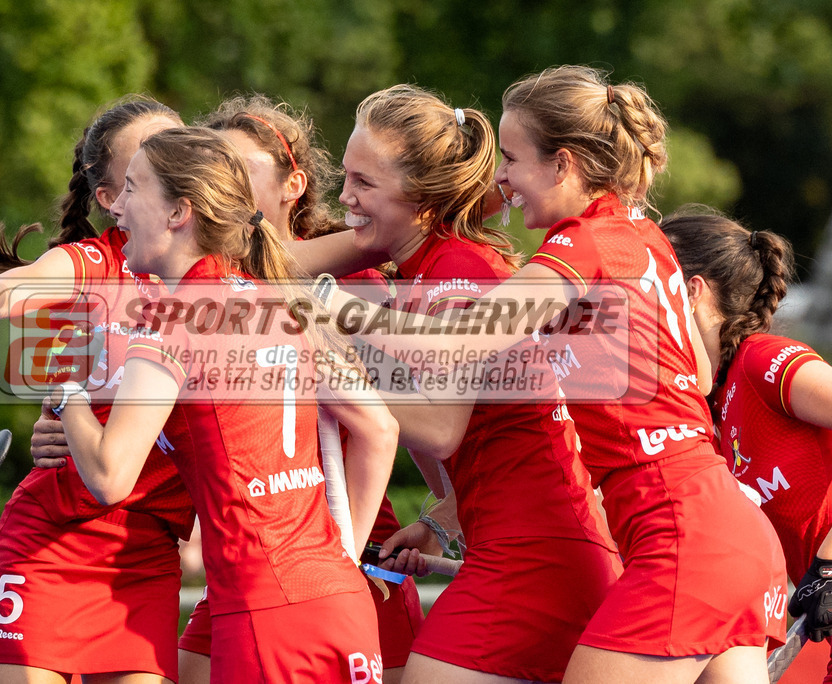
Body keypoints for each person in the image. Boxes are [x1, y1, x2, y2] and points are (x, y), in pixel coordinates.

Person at [314, 66, 787, 683]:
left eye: (511, 159)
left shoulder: (583, 242)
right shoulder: (643, 235)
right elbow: (698, 376)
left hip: (682, 539)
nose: (501, 177)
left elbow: (463, 343)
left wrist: (333, 307)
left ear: (563, 165)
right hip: (720, 525)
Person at [52, 126, 397, 682]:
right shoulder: (278, 299)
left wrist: (65, 390)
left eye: (134, 188)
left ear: (178, 213)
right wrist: (343, 558)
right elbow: (379, 430)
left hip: (265, 611)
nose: (116, 206)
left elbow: (110, 477)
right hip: (338, 603)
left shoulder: (171, 321)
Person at [331, 83, 620, 684]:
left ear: (421, 198)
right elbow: (507, 431)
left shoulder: (459, 269)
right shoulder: (431, 265)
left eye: (362, 183)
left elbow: (439, 428)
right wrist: (443, 518)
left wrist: (317, 380)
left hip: (540, 551)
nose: (344, 197)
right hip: (518, 544)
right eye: (343, 176)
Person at [0, 96, 195, 684]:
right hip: (49, 542)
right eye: (148, 165)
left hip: (145, 556)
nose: (175, 167)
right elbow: (7, 290)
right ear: (113, 199)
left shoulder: (239, 273)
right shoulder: (97, 263)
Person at [166, 95, 422, 684]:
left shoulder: (348, 284)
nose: (223, 185)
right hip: (258, 565)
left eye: (241, 170)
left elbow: (409, 426)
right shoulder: (206, 292)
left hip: (346, 549)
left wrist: (442, 517)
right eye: (215, 170)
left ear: (293, 185)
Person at [662, 206, 832, 676]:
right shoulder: (706, 404)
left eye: (651, 290)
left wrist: (829, 564)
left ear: (692, 292)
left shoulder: (763, 361)